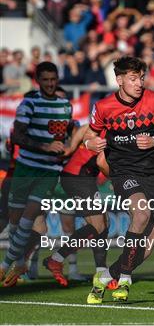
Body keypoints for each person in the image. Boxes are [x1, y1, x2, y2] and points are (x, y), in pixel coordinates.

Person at [83, 56, 154, 302]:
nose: (139, 83)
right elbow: (89, 134)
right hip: (124, 172)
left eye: (141, 78)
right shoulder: (103, 107)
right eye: (133, 79)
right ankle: (125, 281)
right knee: (141, 214)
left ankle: (105, 276)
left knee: (148, 248)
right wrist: (91, 143)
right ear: (119, 80)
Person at [0, 62, 74, 287]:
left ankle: (4, 265)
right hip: (24, 168)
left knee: (28, 217)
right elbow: (19, 138)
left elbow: (65, 137)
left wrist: (67, 147)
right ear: (38, 81)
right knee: (15, 222)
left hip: (49, 171)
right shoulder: (28, 104)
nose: (50, 83)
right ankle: (21, 262)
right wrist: (45, 147)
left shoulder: (65, 105)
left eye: (53, 79)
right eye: (46, 80)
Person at [43, 124, 112, 304]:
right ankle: (56, 259)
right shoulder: (111, 130)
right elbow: (101, 163)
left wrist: (70, 148)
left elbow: (83, 129)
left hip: (80, 179)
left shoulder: (95, 126)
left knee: (102, 223)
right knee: (98, 225)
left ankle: (101, 272)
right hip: (78, 178)